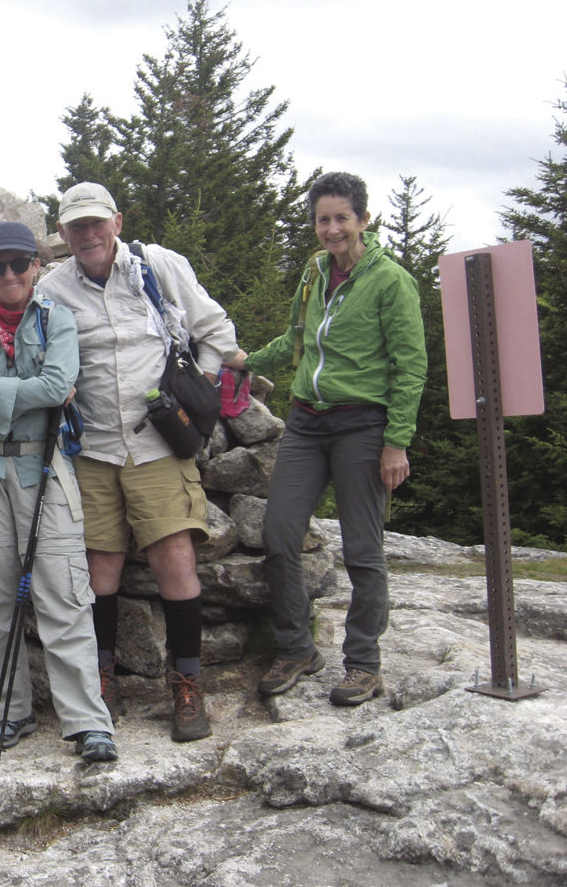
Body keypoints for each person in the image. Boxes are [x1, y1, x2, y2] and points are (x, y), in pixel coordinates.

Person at [38, 183, 237, 742]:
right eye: (76, 227)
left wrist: (199, 381)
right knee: (100, 570)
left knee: (175, 560)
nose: (88, 235)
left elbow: (216, 330)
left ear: (117, 222)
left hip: (159, 445)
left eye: (96, 223)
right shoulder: (51, 290)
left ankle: (187, 685)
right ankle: (103, 681)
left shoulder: (158, 266)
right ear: (63, 234)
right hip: (94, 449)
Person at [227, 172, 427, 706]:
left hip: (364, 425)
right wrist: (246, 362)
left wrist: (397, 442)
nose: (332, 229)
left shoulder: (390, 280)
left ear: (364, 219)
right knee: (279, 532)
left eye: (342, 218)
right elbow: (296, 337)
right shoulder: (316, 271)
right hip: (308, 421)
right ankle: (297, 648)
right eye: (323, 219)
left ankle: (363, 663)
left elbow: (410, 367)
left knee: (363, 548)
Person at [0, 221, 117, 762]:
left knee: (64, 596)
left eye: (20, 263)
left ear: (36, 266)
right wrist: (29, 394)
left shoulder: (57, 319)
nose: (10, 274)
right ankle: (9, 710)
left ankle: (89, 723)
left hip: (48, 472)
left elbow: (61, 388)